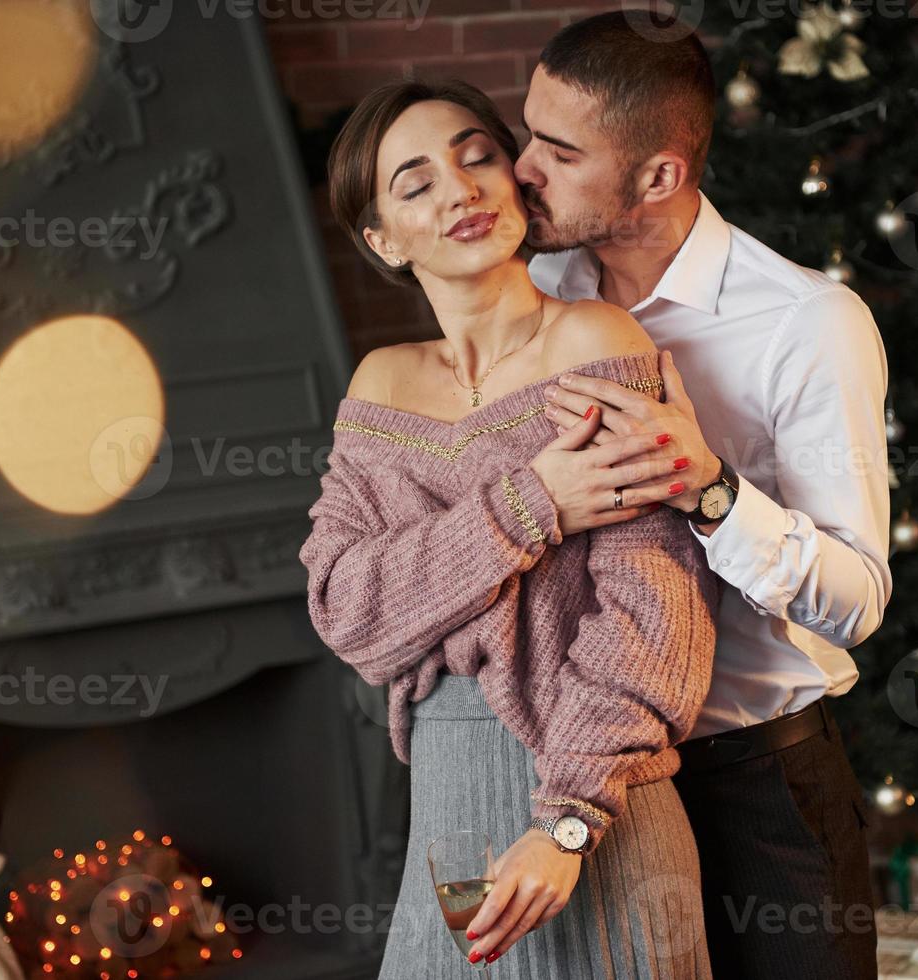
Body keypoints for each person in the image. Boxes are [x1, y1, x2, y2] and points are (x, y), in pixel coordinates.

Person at [301, 79, 718, 978]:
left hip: (599, 801)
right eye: (414, 184)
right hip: (446, 807)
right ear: (382, 238)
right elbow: (346, 607)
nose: (458, 189)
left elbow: (656, 620)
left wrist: (566, 824)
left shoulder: (594, 342)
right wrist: (535, 503)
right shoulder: (379, 387)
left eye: (474, 154)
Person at [516, 12, 892, 979]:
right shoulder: (533, 296)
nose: (521, 170)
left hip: (765, 790)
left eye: (559, 152)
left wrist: (711, 489)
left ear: (658, 177)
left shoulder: (805, 323)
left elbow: (855, 602)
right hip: (598, 791)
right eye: (527, 135)